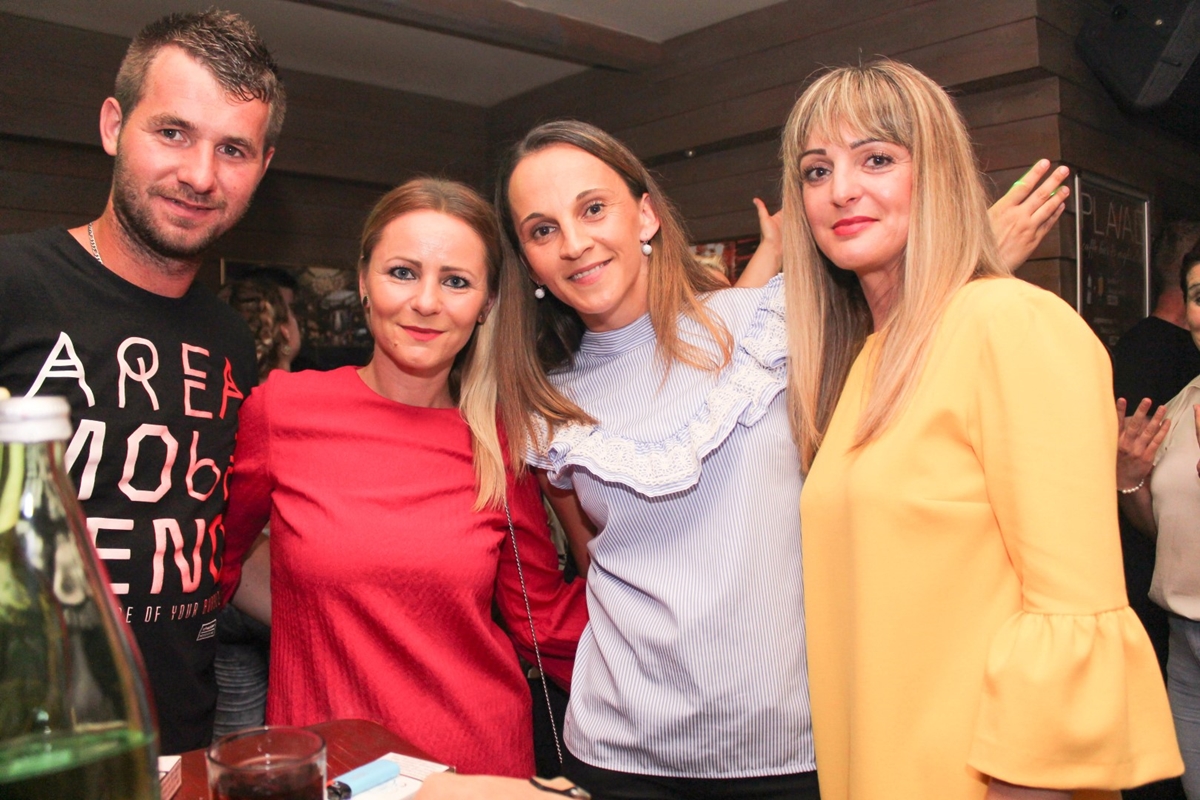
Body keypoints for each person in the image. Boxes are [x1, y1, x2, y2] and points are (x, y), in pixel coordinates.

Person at [785, 59, 1181, 800]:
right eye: (816, 170)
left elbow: (1072, 609)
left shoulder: (1011, 324)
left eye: (877, 159)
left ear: (936, 175)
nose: (840, 190)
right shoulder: (867, 358)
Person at [219, 178, 587, 777]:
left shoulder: (496, 439)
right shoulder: (284, 410)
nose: (426, 302)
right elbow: (214, 562)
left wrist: (682, 640)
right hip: (334, 772)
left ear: (487, 304)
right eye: (402, 272)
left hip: (474, 772)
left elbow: (541, 619)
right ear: (363, 281)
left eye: (456, 281)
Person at [0, 10, 282, 754]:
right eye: (173, 132)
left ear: (262, 166)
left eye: (232, 149)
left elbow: (211, 541)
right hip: (30, 747)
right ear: (113, 126)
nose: (200, 175)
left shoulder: (229, 340)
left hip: (178, 742)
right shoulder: (14, 284)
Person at [1118, 250, 1200, 799]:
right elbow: (1162, 530)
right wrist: (1129, 480)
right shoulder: (1180, 404)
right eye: (1199, 296)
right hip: (1185, 648)